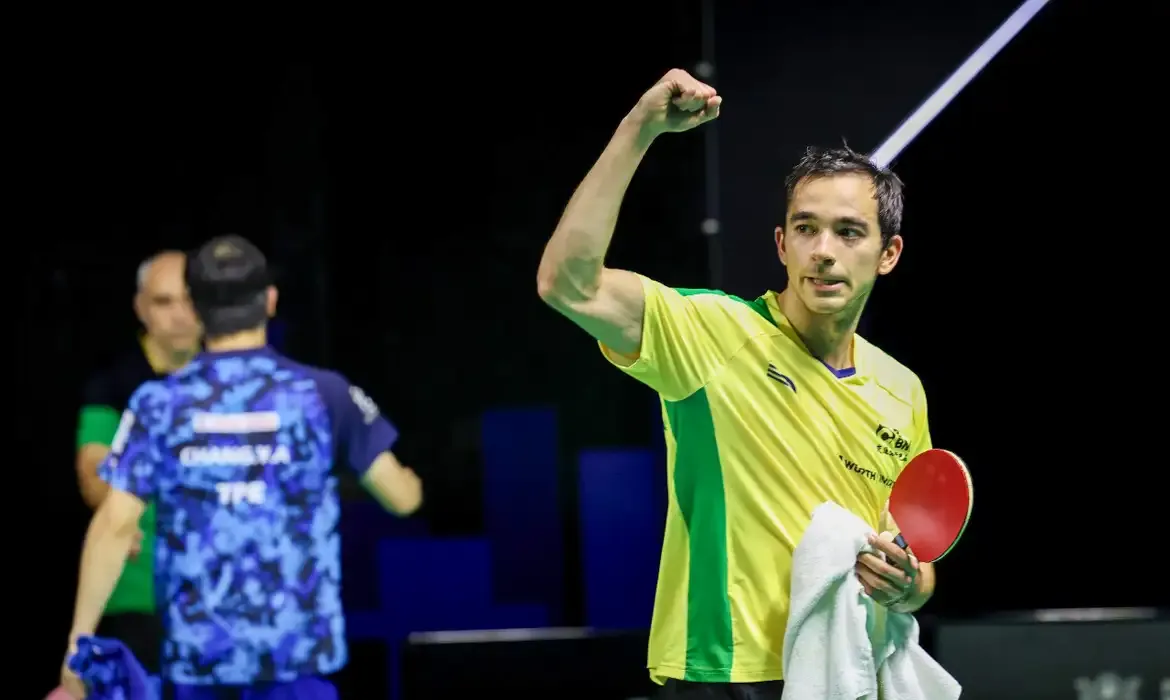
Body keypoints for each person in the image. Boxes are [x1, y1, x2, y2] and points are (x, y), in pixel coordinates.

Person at [537, 69, 936, 699]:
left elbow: (912, 553)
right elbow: (567, 283)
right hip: (722, 676)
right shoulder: (711, 333)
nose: (823, 251)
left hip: (840, 674)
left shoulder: (901, 388)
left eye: (849, 232)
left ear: (888, 254)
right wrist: (638, 128)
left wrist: (911, 585)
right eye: (805, 229)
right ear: (781, 244)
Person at [61, 235, 423, 700]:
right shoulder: (325, 393)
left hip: (197, 665)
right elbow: (401, 497)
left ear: (199, 309)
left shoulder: (158, 404)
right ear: (270, 301)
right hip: (296, 660)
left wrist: (77, 643)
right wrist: (409, 484)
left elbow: (114, 523)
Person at [75, 250, 202, 680]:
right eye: (165, 302)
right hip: (138, 597)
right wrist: (117, 514)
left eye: (191, 299)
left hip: (221, 602)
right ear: (141, 308)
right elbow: (93, 473)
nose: (181, 316)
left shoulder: (233, 379)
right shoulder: (114, 383)